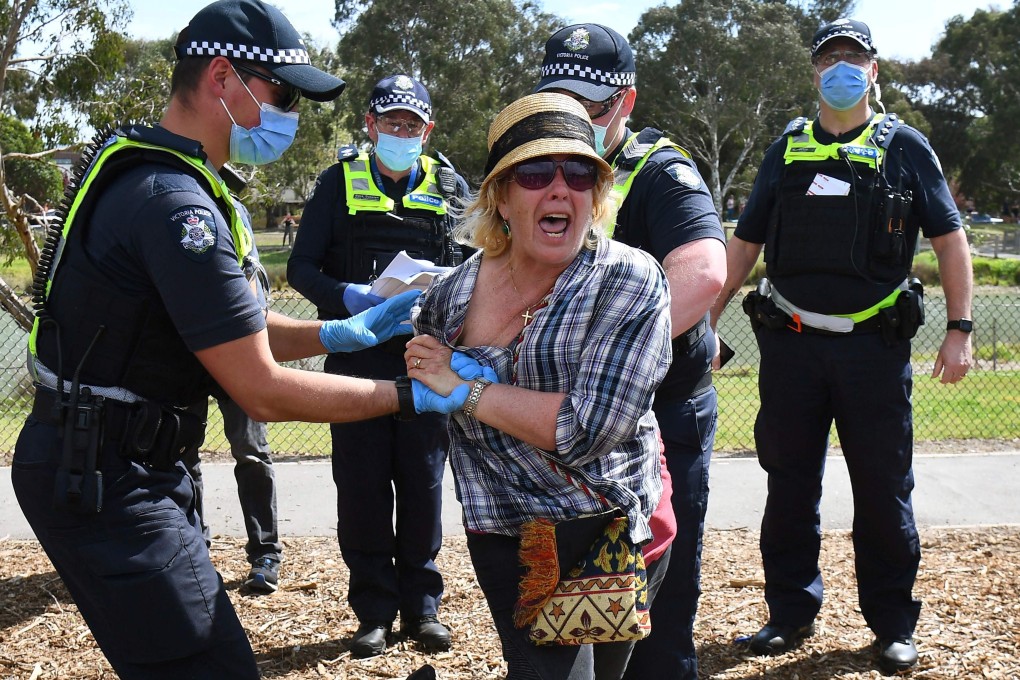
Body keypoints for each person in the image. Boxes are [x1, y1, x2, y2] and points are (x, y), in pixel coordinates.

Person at [10, 2, 466, 677]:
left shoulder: (170, 178)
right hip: (108, 477)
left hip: (121, 465)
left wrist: (339, 330)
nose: (291, 114)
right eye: (282, 94)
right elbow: (260, 389)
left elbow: (233, 328)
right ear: (223, 78)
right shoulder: (177, 205)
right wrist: (412, 396)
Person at [708, 18, 973, 675]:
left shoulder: (904, 147)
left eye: (854, 58)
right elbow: (744, 243)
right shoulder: (787, 150)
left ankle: (891, 627)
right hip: (792, 348)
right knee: (789, 487)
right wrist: (703, 320)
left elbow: (950, 240)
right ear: (816, 72)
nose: (842, 68)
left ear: (874, 72)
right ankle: (789, 615)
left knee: (883, 491)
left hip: (873, 351)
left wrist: (960, 330)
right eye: (830, 58)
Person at [406, 91, 674, 680]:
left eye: (579, 172)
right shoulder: (451, 295)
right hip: (514, 536)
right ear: (501, 196)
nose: (559, 188)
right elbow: (422, 369)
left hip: (613, 523)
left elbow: (589, 430)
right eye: (533, 172)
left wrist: (467, 389)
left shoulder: (628, 280)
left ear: (596, 194)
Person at [535, 23, 727, 679]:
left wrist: (605, 356)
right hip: (570, 429)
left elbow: (703, 272)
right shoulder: (539, 168)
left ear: (627, 102)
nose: (574, 118)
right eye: (559, 100)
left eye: (591, 104)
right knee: (587, 615)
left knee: (656, 615)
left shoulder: (661, 170)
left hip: (660, 416)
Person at [287, 74, 468, 657]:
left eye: (412, 125)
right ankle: (372, 611)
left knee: (423, 484)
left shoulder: (451, 187)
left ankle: (423, 609)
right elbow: (301, 268)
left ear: (427, 130)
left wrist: (442, 295)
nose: (401, 132)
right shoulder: (335, 183)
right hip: (356, 361)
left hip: (426, 361)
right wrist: (350, 298)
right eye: (390, 122)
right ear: (369, 125)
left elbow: (479, 263)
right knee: (362, 489)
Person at [184, 193, 283, 595]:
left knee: (251, 452)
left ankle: (265, 554)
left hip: (235, 352)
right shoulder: (169, 203)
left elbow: (254, 278)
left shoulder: (232, 208)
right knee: (181, 456)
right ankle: (193, 553)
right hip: (184, 353)